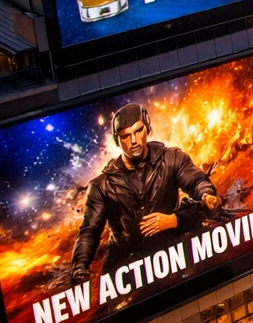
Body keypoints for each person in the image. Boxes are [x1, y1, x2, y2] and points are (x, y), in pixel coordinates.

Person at [68, 102, 222, 282]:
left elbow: (195, 180)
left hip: (171, 258)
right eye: (126, 135)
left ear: (147, 128)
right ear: (117, 139)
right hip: (126, 272)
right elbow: (90, 231)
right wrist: (80, 266)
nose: (133, 141)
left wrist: (205, 195)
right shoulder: (101, 186)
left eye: (138, 131)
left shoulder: (172, 158)